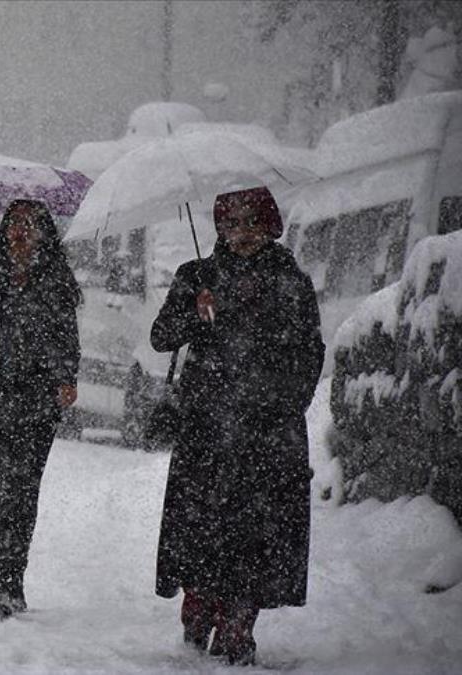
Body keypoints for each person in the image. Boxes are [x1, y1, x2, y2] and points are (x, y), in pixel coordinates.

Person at [151, 187, 324, 665]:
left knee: (255, 534)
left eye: (252, 223)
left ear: (270, 226)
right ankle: (200, 604)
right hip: (207, 429)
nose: (242, 234)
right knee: (202, 528)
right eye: (232, 224)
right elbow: (161, 336)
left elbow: (309, 354)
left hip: (267, 432)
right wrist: (193, 310)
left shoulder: (290, 281)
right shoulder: (197, 276)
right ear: (219, 229)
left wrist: (284, 403)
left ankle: (238, 624)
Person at [0, 199, 82, 621]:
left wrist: (66, 378)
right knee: (1, 486)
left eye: (31, 224)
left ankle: (15, 580)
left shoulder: (56, 279)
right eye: (15, 224)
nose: (21, 231)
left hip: (38, 401)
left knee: (25, 489)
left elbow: (66, 337)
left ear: (45, 232)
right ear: (4, 229)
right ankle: (0, 584)